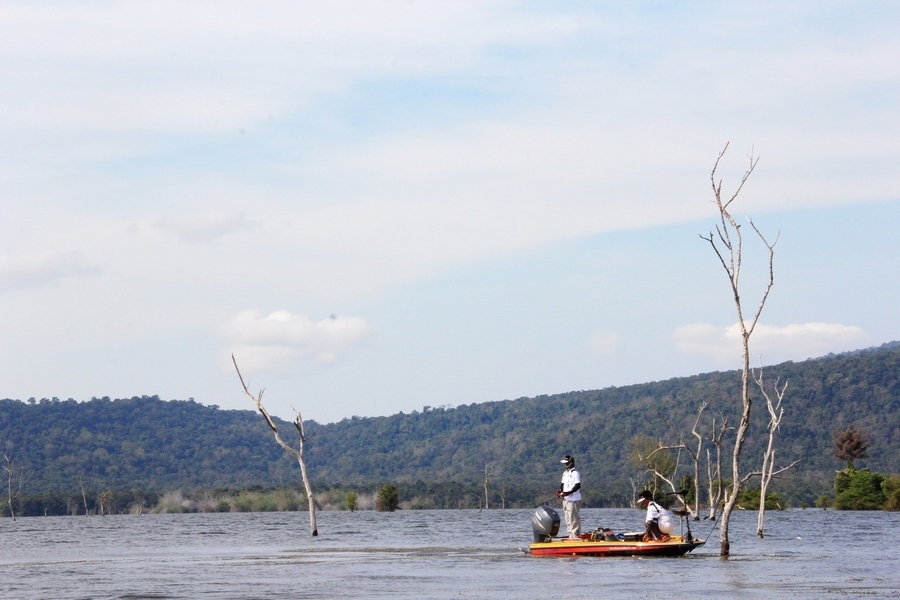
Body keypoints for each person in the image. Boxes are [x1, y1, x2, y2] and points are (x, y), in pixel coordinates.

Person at [556, 455, 582, 539]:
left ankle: (575, 534)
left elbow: (577, 485)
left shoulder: (575, 473)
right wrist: (560, 491)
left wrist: (568, 492)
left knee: (573, 517)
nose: (565, 465)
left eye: (566, 463)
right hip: (566, 499)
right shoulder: (565, 473)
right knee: (567, 517)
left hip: (574, 499)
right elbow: (562, 484)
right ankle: (570, 533)